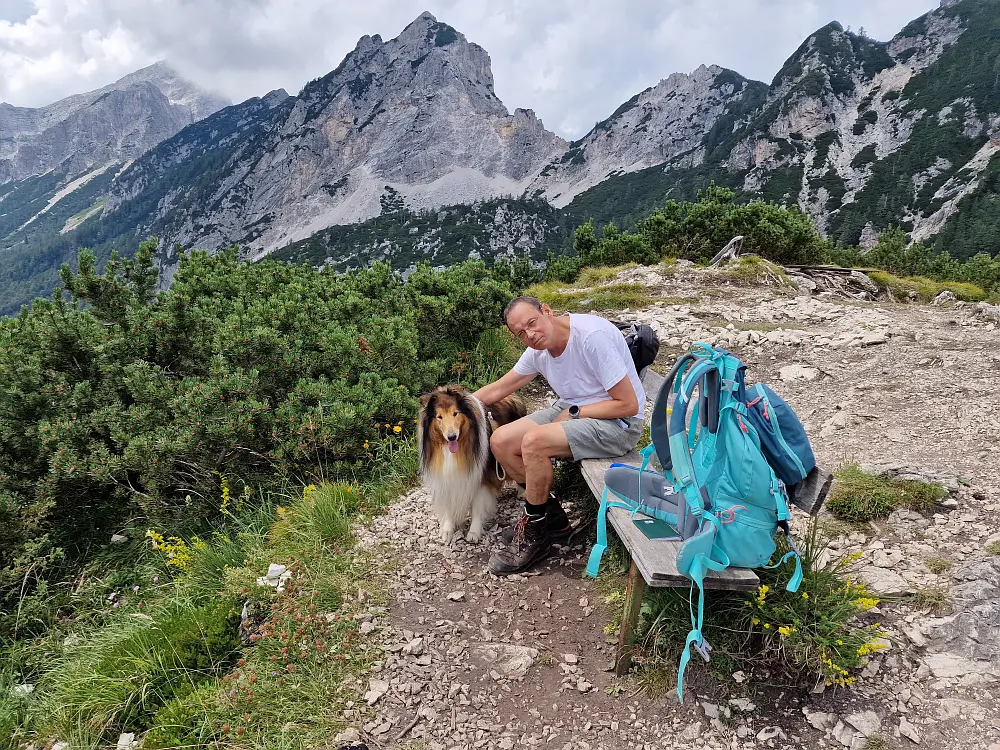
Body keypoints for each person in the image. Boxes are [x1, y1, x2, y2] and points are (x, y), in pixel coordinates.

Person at [472, 296, 645, 575]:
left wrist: (577, 412)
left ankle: (536, 535)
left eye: (532, 323)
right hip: (573, 407)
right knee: (501, 441)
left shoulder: (591, 337)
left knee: (534, 442)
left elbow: (629, 405)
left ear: (547, 312)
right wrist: (454, 404)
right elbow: (497, 390)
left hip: (619, 423)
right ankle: (551, 521)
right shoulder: (538, 349)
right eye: (521, 333)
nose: (530, 335)